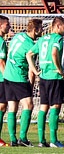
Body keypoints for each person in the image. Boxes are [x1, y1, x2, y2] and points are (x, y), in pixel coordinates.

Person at [30, 17, 64, 147]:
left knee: (43, 107)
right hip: (54, 77)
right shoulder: (57, 39)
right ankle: (54, 140)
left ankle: (41, 140)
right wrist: (59, 69)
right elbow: (54, 53)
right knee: (55, 107)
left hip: (43, 77)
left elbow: (29, 54)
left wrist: (35, 70)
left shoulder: (42, 39)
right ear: (57, 26)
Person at [4, 18, 41, 146]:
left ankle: (13, 139)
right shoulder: (31, 46)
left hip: (7, 74)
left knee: (12, 107)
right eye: (41, 28)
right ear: (36, 30)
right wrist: (30, 86)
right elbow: (31, 69)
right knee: (29, 105)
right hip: (18, 77)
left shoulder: (19, 36)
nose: (42, 31)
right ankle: (23, 138)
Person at [0, 15, 10, 147]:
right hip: (1, 78)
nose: (9, 27)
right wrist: (8, 78)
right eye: (7, 24)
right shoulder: (1, 42)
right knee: (2, 106)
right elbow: (1, 62)